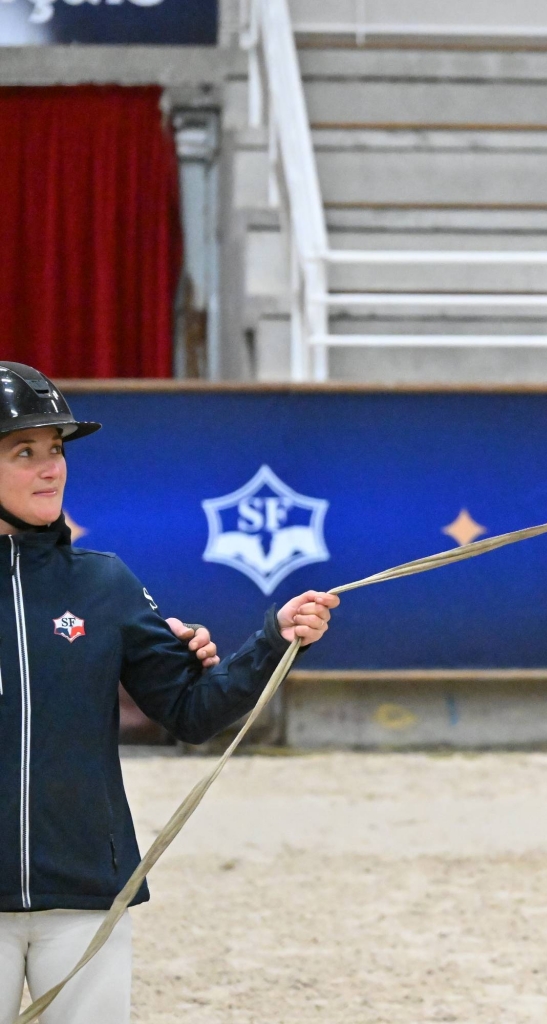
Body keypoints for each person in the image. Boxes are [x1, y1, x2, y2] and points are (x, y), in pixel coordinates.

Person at [0, 361, 341, 1023]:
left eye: (56, 449)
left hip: (87, 893)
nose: (51, 468)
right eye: (24, 452)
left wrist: (275, 639)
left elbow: (192, 712)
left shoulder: (107, 585)